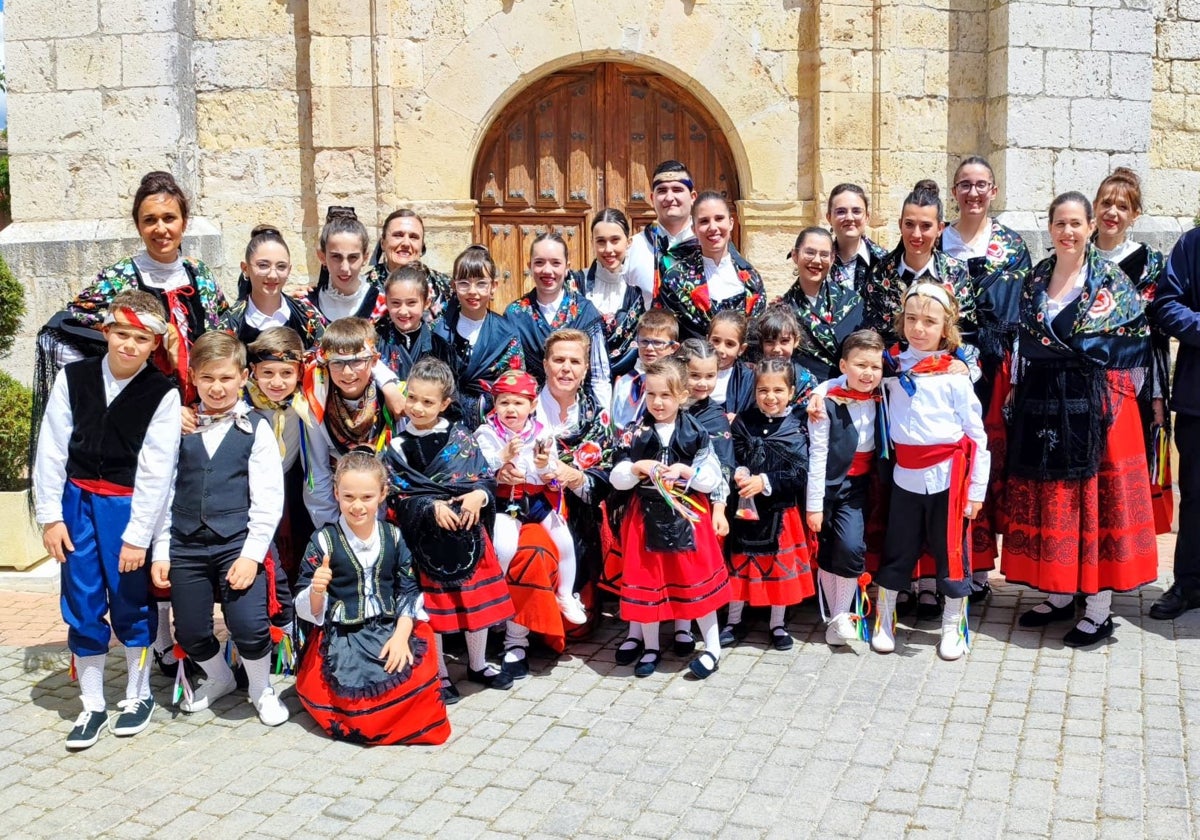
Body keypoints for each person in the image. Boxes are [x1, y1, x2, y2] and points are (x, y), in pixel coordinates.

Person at [1004, 192, 1157, 646]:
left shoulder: (1109, 280)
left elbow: (1134, 344)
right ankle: (1059, 592)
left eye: (1075, 223)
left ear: (1091, 226)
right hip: (1046, 401)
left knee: (1094, 501)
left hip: (1101, 406)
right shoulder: (1035, 279)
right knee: (1055, 498)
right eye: (1059, 224)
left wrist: (1112, 404)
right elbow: (1023, 340)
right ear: (1049, 229)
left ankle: (1098, 608)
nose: (1067, 232)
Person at [32, 290, 181, 749]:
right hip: (77, 503)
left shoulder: (162, 392)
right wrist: (50, 516)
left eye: (140, 337)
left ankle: (138, 695)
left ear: (154, 343)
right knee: (82, 598)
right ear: (106, 332)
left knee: (130, 600)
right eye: (122, 333)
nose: (129, 345)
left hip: (127, 506)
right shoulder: (72, 378)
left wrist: (140, 539)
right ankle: (93, 704)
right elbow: (52, 450)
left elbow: (158, 472)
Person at [151, 331, 288, 725]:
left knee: (249, 626)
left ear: (244, 377)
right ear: (193, 377)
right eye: (208, 378)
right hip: (187, 544)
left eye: (226, 378)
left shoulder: (255, 428)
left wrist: (250, 555)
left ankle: (261, 688)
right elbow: (165, 491)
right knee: (191, 631)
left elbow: (268, 500)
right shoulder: (179, 428)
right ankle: (220, 676)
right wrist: (162, 550)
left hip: (237, 543)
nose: (217, 387)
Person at [34, 171, 229, 409]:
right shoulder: (118, 277)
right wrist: (113, 389)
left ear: (184, 222)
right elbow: (60, 331)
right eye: (150, 220)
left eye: (169, 218)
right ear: (138, 226)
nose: (160, 229)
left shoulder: (202, 275)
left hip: (203, 412)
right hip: (143, 412)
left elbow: (223, 339)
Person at [294, 451, 451, 745]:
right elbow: (309, 611)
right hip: (343, 634)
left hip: (390, 626)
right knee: (362, 714)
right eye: (348, 496)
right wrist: (317, 590)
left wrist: (402, 637)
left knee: (416, 676)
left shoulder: (393, 536)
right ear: (336, 493)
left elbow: (408, 589)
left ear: (382, 494)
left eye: (366, 497)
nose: (357, 506)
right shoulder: (323, 540)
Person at [383, 358, 516, 702]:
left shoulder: (462, 438)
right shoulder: (396, 448)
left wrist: (478, 496)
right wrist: (429, 507)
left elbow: (484, 477)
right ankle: (440, 672)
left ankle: (477, 663)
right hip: (424, 542)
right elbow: (397, 496)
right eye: (412, 398)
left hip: (467, 534)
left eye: (428, 402)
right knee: (433, 609)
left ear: (445, 404)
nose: (417, 407)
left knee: (476, 605)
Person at [873, 283, 989, 661]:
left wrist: (976, 492)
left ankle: (954, 622)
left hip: (948, 476)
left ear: (946, 328)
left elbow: (977, 435)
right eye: (911, 319)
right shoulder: (887, 366)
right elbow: (850, 381)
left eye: (929, 321)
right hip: (905, 473)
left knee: (950, 549)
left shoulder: (955, 373)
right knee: (899, 546)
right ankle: (884, 615)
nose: (918, 329)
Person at [938, 156, 1032, 596]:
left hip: (995, 373)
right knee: (948, 458)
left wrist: (1014, 379)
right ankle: (947, 561)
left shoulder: (1012, 246)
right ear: (953, 191)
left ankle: (978, 568)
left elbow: (1024, 314)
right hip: (947, 369)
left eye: (981, 185)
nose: (973, 193)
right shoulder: (939, 243)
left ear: (993, 191)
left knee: (986, 462)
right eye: (964, 185)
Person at [609, 357, 731, 679]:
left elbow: (713, 476)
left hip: (688, 516)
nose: (658, 402)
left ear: (682, 395)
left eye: (666, 395)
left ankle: (713, 647)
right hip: (645, 516)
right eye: (651, 395)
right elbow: (617, 475)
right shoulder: (635, 432)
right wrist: (636, 468)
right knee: (648, 579)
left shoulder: (696, 431)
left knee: (693, 580)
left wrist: (688, 472)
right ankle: (650, 646)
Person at [1092, 168, 1173, 534]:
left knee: (1122, 477)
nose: (1112, 212)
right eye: (1106, 203)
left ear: (1135, 214)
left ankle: (1116, 565)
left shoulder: (1151, 264)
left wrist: (1157, 396)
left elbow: (1156, 336)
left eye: (1122, 206)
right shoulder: (1076, 254)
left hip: (1132, 387)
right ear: (1094, 207)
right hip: (1080, 384)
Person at [474, 370, 588, 626]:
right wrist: (502, 458)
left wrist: (544, 465)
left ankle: (566, 595)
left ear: (533, 404)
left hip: (536, 499)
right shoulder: (487, 433)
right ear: (495, 404)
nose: (511, 409)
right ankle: (497, 600)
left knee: (565, 543)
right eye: (504, 402)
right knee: (504, 547)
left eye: (518, 402)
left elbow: (552, 472)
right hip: (506, 502)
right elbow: (478, 468)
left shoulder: (542, 433)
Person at [722, 358, 814, 651]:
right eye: (763, 390)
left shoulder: (795, 427)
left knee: (777, 569)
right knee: (740, 564)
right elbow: (730, 455)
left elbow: (799, 472)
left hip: (779, 512)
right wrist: (737, 471)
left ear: (790, 391)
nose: (770, 397)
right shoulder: (743, 422)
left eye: (778, 390)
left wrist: (765, 481)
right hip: (744, 511)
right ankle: (733, 621)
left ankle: (777, 623)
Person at [299, 318, 403, 528]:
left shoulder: (394, 400)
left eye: (357, 361)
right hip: (336, 506)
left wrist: (381, 525)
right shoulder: (314, 401)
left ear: (374, 362)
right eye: (337, 362)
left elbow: (399, 464)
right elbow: (316, 472)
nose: (347, 373)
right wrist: (331, 529)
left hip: (384, 509)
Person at [1150, 223, 1200, 619]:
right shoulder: (1193, 243)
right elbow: (1166, 304)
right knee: (1197, 498)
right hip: (1199, 398)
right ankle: (1188, 583)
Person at [675, 339, 735, 656]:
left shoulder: (715, 415)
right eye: (695, 375)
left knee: (696, 568)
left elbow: (724, 465)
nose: (703, 383)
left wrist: (720, 509)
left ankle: (700, 629)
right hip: (665, 499)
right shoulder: (665, 404)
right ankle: (678, 626)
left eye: (710, 376)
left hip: (703, 503)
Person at [505, 232, 612, 410]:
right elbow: (512, 374)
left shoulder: (586, 312)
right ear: (529, 266)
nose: (547, 271)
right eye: (539, 262)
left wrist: (603, 419)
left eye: (556, 263)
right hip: (531, 413)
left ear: (567, 267)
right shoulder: (515, 314)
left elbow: (599, 377)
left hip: (580, 413)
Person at [864, 180, 977, 348]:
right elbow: (874, 334)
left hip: (944, 366)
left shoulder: (955, 272)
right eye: (909, 224)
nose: (916, 234)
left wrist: (959, 362)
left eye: (925, 226)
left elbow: (967, 332)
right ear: (900, 225)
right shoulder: (881, 273)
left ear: (940, 228)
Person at [432, 245, 526, 428]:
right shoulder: (439, 330)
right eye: (464, 283)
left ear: (493, 286)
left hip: (493, 425)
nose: (472, 291)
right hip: (442, 421)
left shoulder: (506, 335)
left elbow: (515, 385)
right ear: (454, 285)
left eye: (481, 283)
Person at [655, 191, 766, 342]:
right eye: (704, 221)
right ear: (694, 229)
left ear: (731, 223)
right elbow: (666, 335)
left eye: (719, 218)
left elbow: (758, 335)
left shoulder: (751, 279)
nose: (713, 227)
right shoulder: (675, 279)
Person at [779, 226, 865, 384]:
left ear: (832, 259)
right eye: (810, 252)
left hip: (852, 391)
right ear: (795, 255)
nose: (817, 260)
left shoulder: (852, 302)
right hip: (806, 396)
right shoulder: (782, 310)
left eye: (824, 254)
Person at [219, 226, 326, 348]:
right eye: (263, 265)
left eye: (281, 266)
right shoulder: (230, 325)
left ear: (289, 270)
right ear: (245, 268)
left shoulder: (307, 316)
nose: (273, 275)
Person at [575, 208, 646, 378]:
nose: (608, 249)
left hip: (625, 384)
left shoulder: (637, 292)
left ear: (628, 242)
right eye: (601, 241)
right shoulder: (575, 284)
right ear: (592, 243)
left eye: (615, 240)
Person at [624, 160, 700, 308]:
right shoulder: (633, 248)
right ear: (652, 198)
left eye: (677, 190)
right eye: (662, 190)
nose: (669, 198)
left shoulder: (709, 246)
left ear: (692, 197)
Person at [369, 208, 454, 320]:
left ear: (421, 246)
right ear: (382, 243)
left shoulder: (446, 288)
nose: (406, 243)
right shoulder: (364, 288)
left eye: (414, 237)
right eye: (398, 235)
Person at [374, 265, 454, 381]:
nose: (403, 311)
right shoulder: (377, 343)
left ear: (426, 303)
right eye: (396, 303)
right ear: (386, 302)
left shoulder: (441, 348)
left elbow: (450, 393)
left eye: (411, 303)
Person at [307, 207, 387, 322]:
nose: (344, 268)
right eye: (336, 257)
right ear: (322, 257)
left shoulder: (383, 308)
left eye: (353, 257)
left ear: (365, 257)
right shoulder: (307, 307)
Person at [610, 309, 680, 435]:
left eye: (658, 343)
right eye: (644, 341)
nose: (649, 348)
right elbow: (617, 423)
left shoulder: (678, 385)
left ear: (673, 348)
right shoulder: (625, 382)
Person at [827, 183, 889, 293]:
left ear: (867, 217)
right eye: (841, 211)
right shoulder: (820, 261)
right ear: (829, 218)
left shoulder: (884, 262)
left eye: (856, 211)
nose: (849, 218)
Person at [754, 304, 819, 407]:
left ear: (796, 340)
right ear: (761, 343)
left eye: (784, 341)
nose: (776, 349)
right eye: (769, 342)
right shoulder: (751, 375)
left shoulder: (805, 379)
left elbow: (804, 414)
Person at [707, 310, 755, 414]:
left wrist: (739, 420)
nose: (720, 349)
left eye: (729, 344)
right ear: (707, 340)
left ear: (741, 349)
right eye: (716, 341)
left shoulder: (748, 380)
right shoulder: (689, 371)